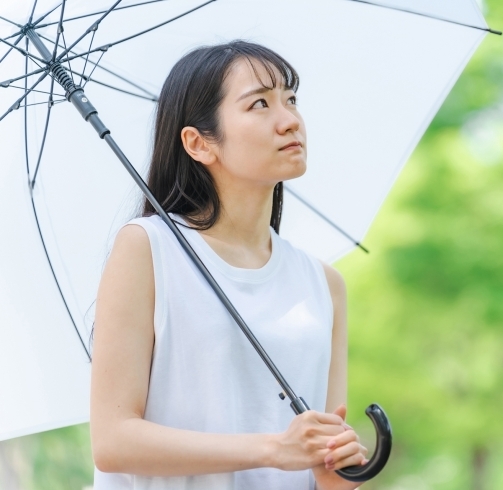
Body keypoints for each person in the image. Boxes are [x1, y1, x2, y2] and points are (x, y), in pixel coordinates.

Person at [90, 41, 367, 490]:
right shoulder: (149, 249)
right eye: (260, 103)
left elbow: (320, 464)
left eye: (291, 99)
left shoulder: (324, 283)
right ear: (199, 143)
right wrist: (273, 449)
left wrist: (338, 472)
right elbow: (113, 439)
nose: (290, 120)